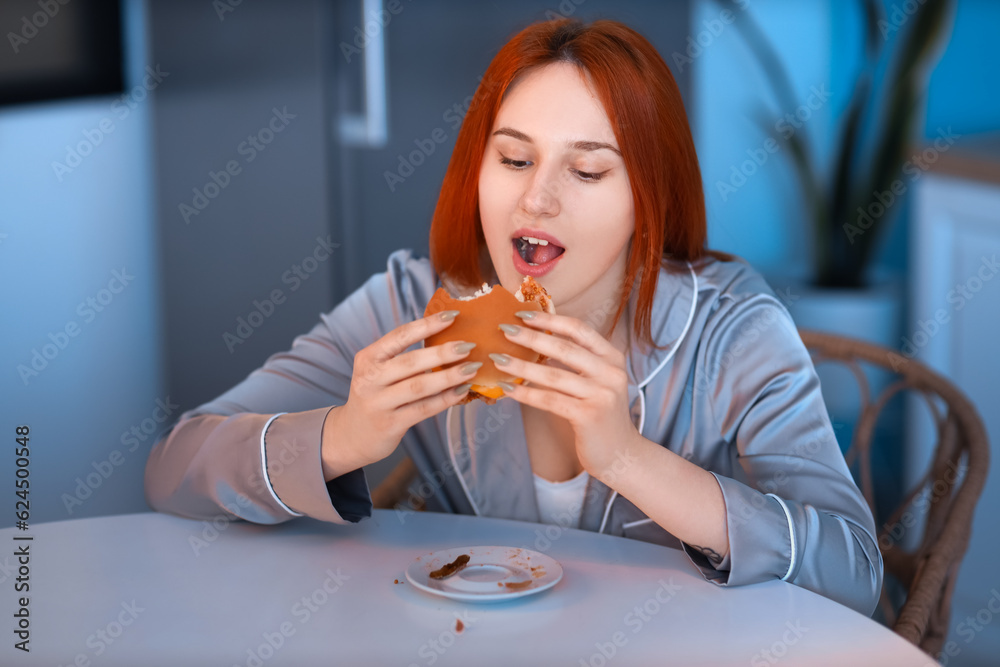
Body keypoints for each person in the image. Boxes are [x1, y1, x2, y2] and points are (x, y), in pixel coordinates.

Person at [145, 18, 882, 615]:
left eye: (587, 170)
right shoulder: (413, 304)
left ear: (646, 197)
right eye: (514, 159)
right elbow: (174, 468)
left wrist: (627, 456)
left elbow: (853, 572)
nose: (538, 200)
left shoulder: (735, 330)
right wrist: (346, 434)